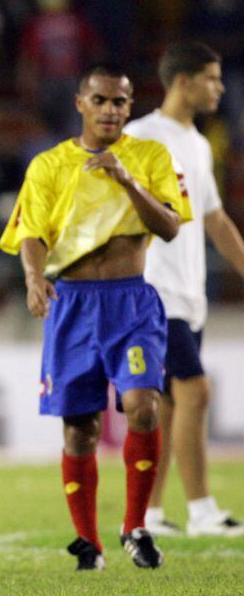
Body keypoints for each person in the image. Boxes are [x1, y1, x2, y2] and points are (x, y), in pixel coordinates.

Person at [0, 65, 192, 571]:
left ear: (130, 107)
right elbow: (31, 231)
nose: (112, 110)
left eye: (121, 102)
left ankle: (135, 526)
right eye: (102, 100)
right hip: (73, 305)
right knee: (79, 428)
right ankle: (89, 542)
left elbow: (170, 226)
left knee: (143, 405)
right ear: (81, 103)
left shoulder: (149, 157)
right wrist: (33, 277)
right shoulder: (49, 165)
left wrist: (126, 179)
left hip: (132, 303)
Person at [124, 41, 244, 537]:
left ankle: (150, 515)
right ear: (182, 81)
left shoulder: (197, 142)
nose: (218, 88)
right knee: (195, 390)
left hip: (190, 294)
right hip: (154, 290)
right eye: (211, 78)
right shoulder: (141, 135)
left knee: (169, 405)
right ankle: (202, 511)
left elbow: (215, 219)